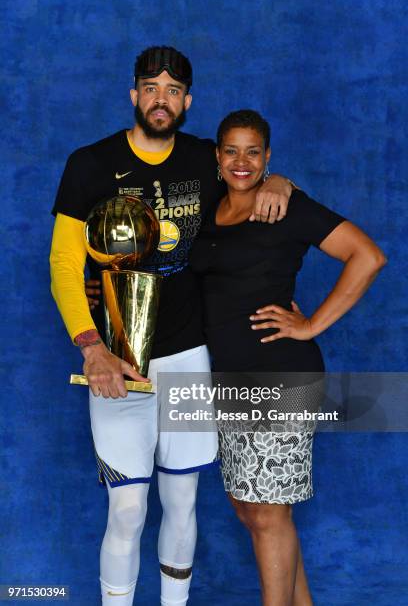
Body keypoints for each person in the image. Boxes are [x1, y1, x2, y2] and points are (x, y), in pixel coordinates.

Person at [50, 47, 295, 606]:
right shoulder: (88, 164)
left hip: (187, 355)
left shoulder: (206, 159)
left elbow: (249, 175)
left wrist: (278, 179)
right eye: (150, 88)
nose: (162, 99)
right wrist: (91, 349)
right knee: (129, 506)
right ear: (134, 96)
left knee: (183, 499)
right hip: (117, 359)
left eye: (173, 90)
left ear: (188, 101)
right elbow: (64, 263)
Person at [189, 109, 386, 606]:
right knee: (248, 507)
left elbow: (368, 255)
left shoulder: (284, 205)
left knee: (268, 514)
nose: (242, 161)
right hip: (230, 378)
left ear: (268, 157)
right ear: (217, 156)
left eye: (253, 152)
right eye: (231, 150)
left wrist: (312, 324)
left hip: (280, 376)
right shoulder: (211, 205)